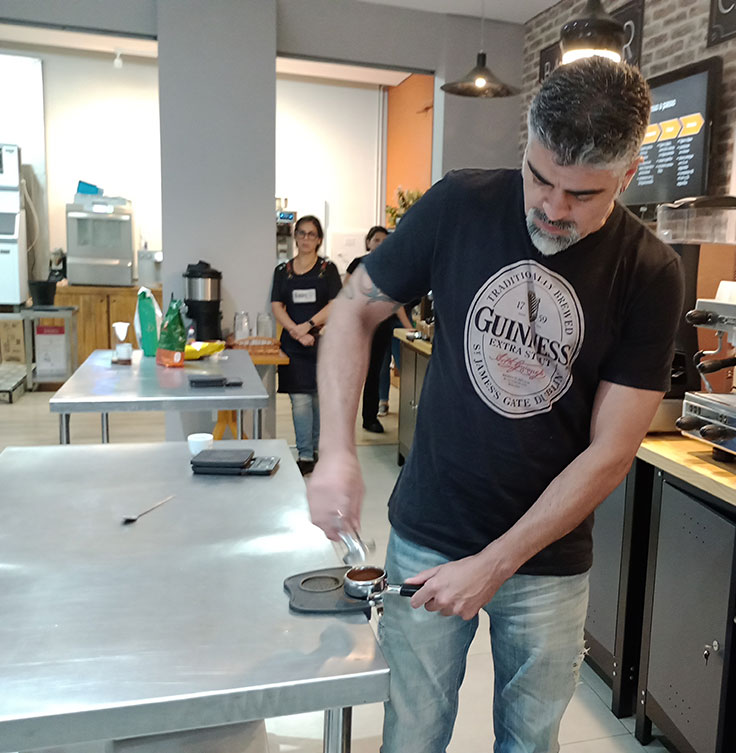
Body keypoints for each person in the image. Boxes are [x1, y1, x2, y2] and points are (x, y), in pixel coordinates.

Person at [308, 57, 683, 752]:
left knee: (530, 742)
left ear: (628, 175)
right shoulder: (461, 203)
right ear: (526, 146)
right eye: (539, 177)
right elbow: (356, 307)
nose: (553, 208)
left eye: (582, 194)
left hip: (548, 558)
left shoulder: (649, 269)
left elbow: (611, 451)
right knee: (411, 735)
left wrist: (496, 562)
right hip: (431, 527)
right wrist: (335, 451)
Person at [270, 215, 341, 475]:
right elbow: (277, 306)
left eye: (311, 234)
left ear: (319, 239)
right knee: (299, 401)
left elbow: (335, 304)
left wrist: (309, 325)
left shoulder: (327, 270)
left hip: (323, 343)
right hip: (293, 345)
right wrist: (296, 331)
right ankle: (305, 454)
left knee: (318, 400)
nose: (306, 238)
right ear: (295, 237)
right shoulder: (283, 271)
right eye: (301, 233)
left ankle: (318, 450)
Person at [344, 226, 413, 433]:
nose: (381, 244)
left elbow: (395, 301)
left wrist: (409, 327)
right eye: (376, 240)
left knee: (374, 371)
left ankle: (370, 417)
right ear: (368, 242)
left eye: (385, 240)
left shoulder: (391, 268)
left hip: (381, 326)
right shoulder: (359, 264)